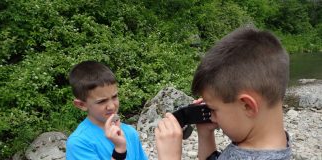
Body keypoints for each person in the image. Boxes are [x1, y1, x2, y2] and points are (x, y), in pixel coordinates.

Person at [155, 26, 292, 160]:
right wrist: (205, 135)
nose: (212, 118)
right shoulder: (265, 145)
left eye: (214, 110)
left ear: (247, 106)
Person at [66, 60, 148, 160]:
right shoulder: (79, 143)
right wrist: (119, 151)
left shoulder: (130, 132)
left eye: (114, 97)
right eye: (102, 101)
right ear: (81, 104)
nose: (112, 107)